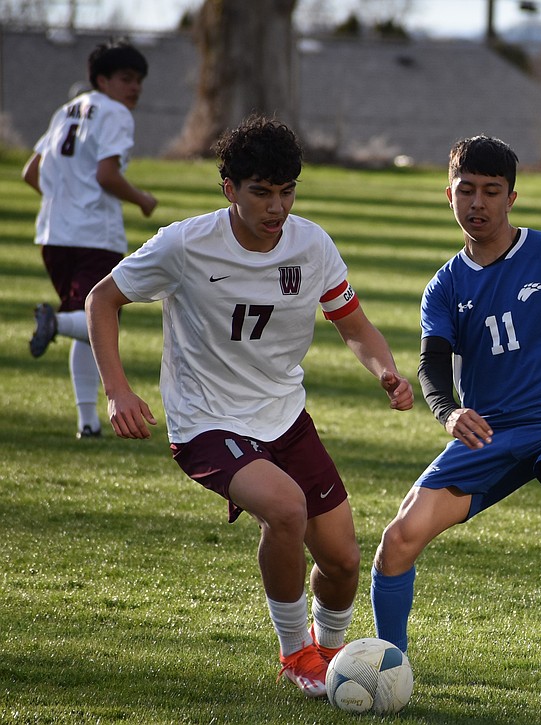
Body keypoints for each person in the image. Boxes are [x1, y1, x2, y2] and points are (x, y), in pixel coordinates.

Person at [85, 115, 414, 698]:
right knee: (285, 508)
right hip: (206, 421)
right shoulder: (185, 244)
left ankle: (333, 657)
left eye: (286, 192)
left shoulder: (311, 245)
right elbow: (102, 298)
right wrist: (116, 389)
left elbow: (354, 325)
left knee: (341, 563)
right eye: (261, 192)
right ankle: (295, 657)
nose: (276, 207)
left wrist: (384, 369)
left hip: (284, 417)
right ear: (228, 188)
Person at [370, 135, 541, 690]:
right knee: (398, 539)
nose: (478, 204)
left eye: (491, 191)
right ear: (448, 194)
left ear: (512, 197)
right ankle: (387, 666)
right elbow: (432, 367)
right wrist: (447, 412)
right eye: (466, 190)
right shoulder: (444, 287)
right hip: (486, 432)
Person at [22, 39, 157, 439]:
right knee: (98, 317)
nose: (134, 88)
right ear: (102, 80)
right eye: (126, 79)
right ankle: (53, 322)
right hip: (94, 235)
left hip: (53, 234)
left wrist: (64, 202)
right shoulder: (114, 113)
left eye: (139, 81)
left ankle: (88, 422)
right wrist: (142, 199)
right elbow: (106, 175)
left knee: (88, 322)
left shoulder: (65, 111)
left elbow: (31, 172)